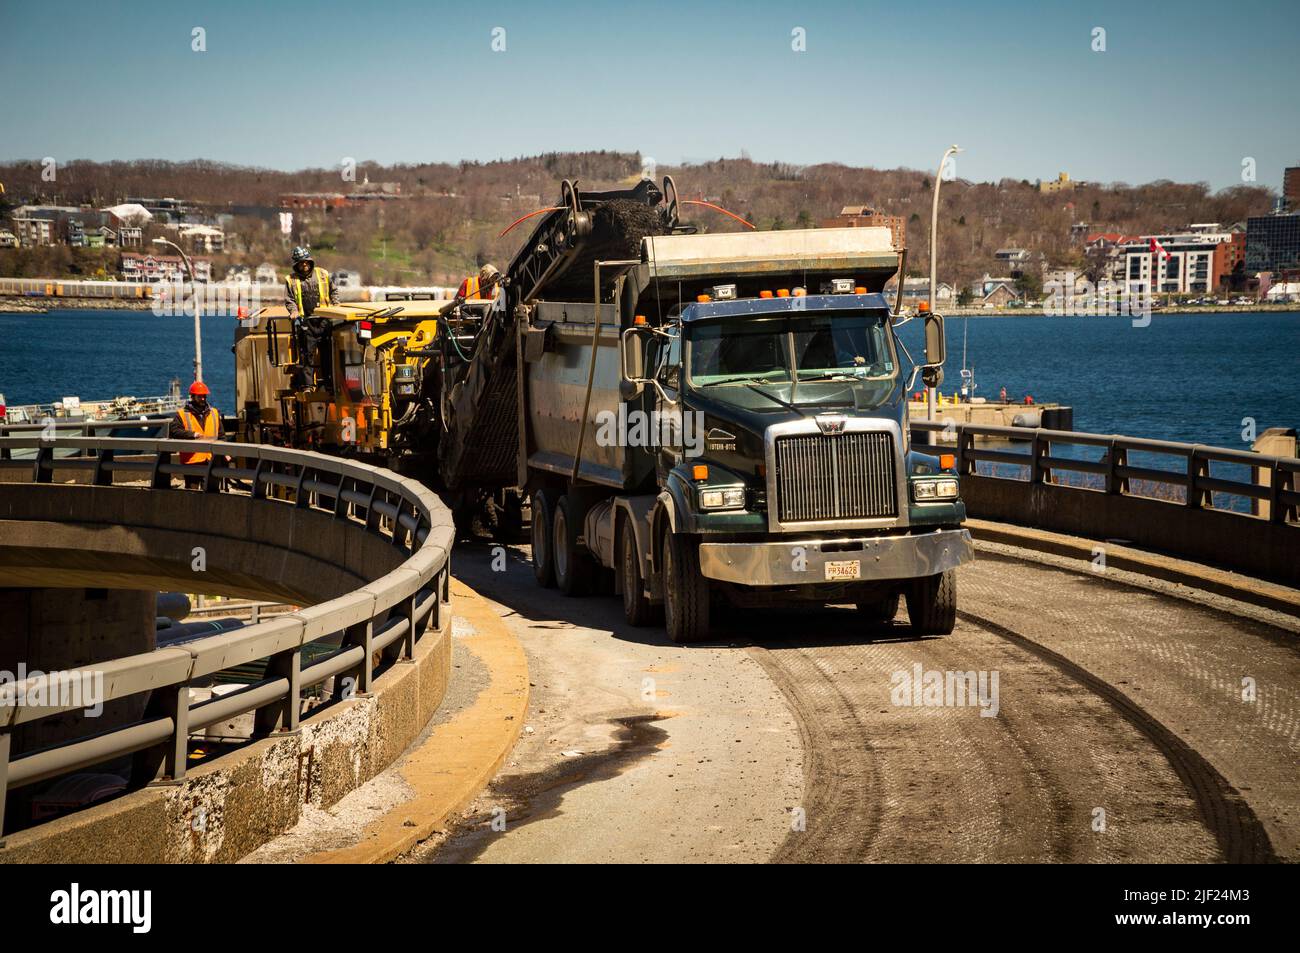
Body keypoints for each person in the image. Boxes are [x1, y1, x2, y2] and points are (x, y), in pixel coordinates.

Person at [284, 246, 338, 385]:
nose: (304, 265)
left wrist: (336, 307)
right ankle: (307, 385)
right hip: (306, 323)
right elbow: (289, 299)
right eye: (301, 263)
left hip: (325, 321)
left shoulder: (322, 274)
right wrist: (294, 312)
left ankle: (329, 383)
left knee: (328, 354)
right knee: (307, 356)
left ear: (310, 261)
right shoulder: (291, 280)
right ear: (296, 264)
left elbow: (334, 292)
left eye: (306, 262)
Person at [170, 381, 222, 488]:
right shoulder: (182, 414)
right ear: (192, 397)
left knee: (211, 493)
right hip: (192, 461)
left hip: (210, 459)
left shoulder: (214, 413)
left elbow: (221, 435)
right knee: (192, 492)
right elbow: (174, 431)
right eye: (199, 396)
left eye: (204, 396)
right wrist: (192, 435)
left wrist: (225, 453)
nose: (203, 399)